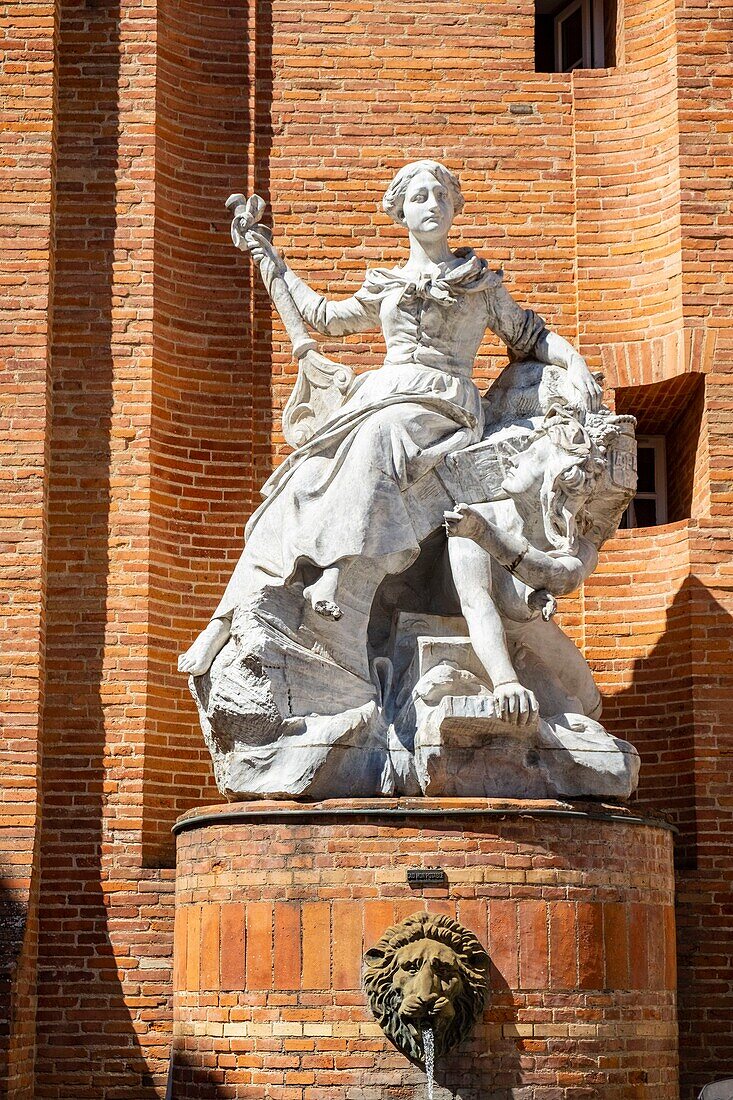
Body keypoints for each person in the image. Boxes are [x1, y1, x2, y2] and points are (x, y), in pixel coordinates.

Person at [179, 160, 602, 676]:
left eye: (442, 196)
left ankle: (335, 574)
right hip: (381, 395)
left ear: (455, 208)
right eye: (420, 197)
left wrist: (574, 361)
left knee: (381, 437)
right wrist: (271, 260)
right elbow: (324, 319)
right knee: (298, 482)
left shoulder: (478, 283)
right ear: (400, 211)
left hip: (443, 406)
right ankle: (225, 621)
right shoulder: (386, 285)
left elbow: (531, 336)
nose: (433, 205)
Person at [443, 406, 605, 726]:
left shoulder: (581, 548)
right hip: (479, 633)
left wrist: (484, 536)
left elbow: (559, 577)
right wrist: (505, 681)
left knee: (589, 701)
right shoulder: (477, 516)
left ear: (551, 481)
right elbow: (476, 602)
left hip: (530, 633)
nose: (515, 460)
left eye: (531, 456)